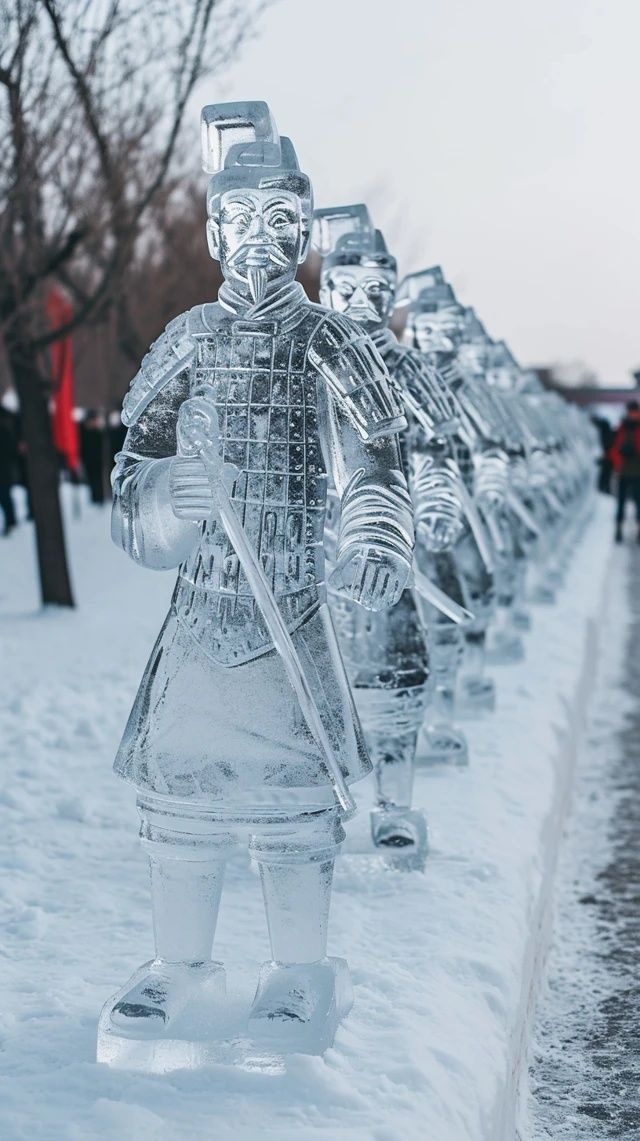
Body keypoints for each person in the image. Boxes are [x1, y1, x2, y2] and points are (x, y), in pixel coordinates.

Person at [610, 399, 640, 542]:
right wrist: (617, 463)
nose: (632, 415)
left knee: (639, 503)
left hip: (638, 472)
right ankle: (618, 530)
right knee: (620, 503)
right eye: (630, 412)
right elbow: (615, 448)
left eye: (634, 412)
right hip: (623, 471)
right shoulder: (622, 427)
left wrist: (634, 450)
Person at [0, 406, 18, 535]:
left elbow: (11, 450)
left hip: (3, 470)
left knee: (5, 497)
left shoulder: (4, 431)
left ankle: (11, 521)